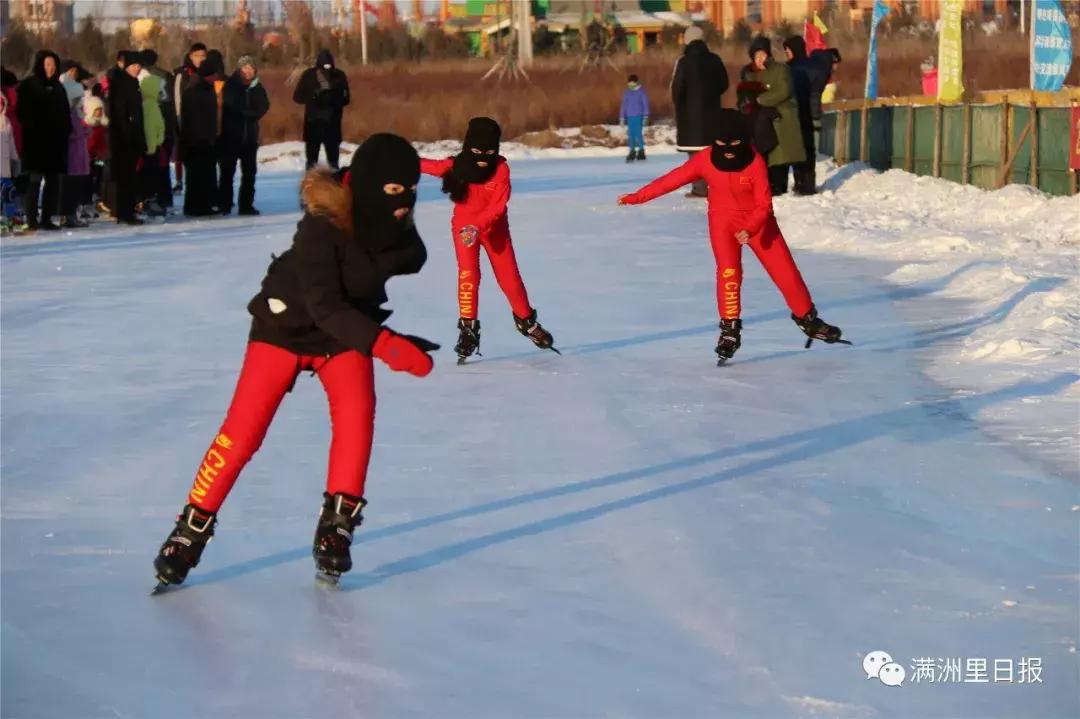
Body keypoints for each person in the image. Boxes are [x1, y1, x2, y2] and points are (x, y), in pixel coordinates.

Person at [153, 134, 437, 588]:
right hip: (286, 328)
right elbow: (324, 305)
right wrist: (386, 345)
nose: (404, 203)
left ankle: (336, 528)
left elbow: (411, 255)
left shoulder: (393, 226)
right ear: (364, 186)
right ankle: (189, 531)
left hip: (343, 337)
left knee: (357, 419)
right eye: (391, 192)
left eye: (411, 191)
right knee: (242, 434)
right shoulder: (319, 226)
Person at [617, 110, 845, 363]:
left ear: (745, 141)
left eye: (735, 144)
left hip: (758, 224)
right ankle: (730, 330)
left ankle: (808, 319)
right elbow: (672, 180)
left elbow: (763, 205)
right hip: (723, 222)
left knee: (786, 273)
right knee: (728, 273)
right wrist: (638, 197)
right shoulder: (704, 159)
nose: (728, 149)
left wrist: (750, 227)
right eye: (721, 144)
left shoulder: (755, 161)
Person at [419, 117, 557, 364]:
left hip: (495, 231)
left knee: (510, 278)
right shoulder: (456, 166)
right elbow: (425, 165)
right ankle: (468, 330)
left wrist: (477, 226)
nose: (484, 156)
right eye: (477, 151)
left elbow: (498, 207)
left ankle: (527, 322)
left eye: (490, 151)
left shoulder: (501, 169)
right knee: (468, 276)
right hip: (464, 231)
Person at [740, 36, 805, 196]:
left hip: (782, 117)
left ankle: (782, 186)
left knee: (780, 156)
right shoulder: (749, 74)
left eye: (763, 55)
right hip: (760, 120)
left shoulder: (780, 69)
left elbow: (784, 90)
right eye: (757, 56)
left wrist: (761, 100)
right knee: (766, 155)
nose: (760, 59)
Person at [16, 50, 71, 231]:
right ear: (40, 65)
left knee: (53, 182)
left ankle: (47, 218)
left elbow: (65, 113)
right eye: (47, 65)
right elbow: (22, 112)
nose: (50, 69)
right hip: (36, 142)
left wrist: (65, 131)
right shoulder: (29, 85)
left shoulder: (58, 87)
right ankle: (31, 218)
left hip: (56, 143)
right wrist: (32, 128)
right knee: (34, 181)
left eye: (54, 66)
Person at [671, 25, 729, 197]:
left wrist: (681, 106)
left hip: (690, 118)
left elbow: (676, 89)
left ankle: (700, 188)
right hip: (712, 114)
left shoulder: (683, 61)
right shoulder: (715, 60)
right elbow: (724, 83)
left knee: (695, 156)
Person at [782, 36, 834, 195]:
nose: (787, 54)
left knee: (796, 150)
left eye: (787, 51)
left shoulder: (792, 69)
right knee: (808, 149)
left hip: (796, 113)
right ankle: (808, 184)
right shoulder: (815, 66)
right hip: (810, 114)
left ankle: (801, 183)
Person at [219, 55, 269, 215]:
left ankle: (246, 205)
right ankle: (224, 204)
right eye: (245, 68)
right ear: (239, 69)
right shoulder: (231, 85)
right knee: (228, 172)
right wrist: (244, 113)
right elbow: (230, 106)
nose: (248, 72)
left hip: (250, 137)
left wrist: (251, 114)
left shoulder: (257, 87)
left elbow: (263, 106)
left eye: (251, 68)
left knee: (249, 173)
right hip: (231, 136)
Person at [107, 51, 146, 225]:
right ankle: (125, 212)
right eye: (134, 66)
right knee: (125, 177)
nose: (137, 69)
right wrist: (127, 133)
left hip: (131, 135)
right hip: (124, 138)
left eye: (139, 66)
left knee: (129, 176)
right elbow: (120, 113)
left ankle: (126, 211)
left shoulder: (132, 83)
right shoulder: (122, 84)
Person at [293, 49, 350, 170]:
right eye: (324, 65)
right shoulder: (309, 75)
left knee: (333, 163)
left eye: (329, 65)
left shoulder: (339, 75)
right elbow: (297, 97)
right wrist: (313, 96)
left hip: (332, 123)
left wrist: (333, 98)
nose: (327, 69)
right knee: (312, 162)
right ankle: (310, 185)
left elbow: (346, 99)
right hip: (313, 123)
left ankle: (334, 185)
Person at [180, 63, 219, 216]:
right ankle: (196, 206)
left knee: (205, 174)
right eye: (214, 75)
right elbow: (193, 118)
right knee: (197, 175)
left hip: (205, 137)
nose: (217, 77)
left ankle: (204, 204)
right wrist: (200, 137)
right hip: (197, 139)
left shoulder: (205, 88)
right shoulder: (194, 90)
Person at [58, 61, 92, 227]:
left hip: (77, 155)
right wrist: (84, 131)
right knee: (70, 186)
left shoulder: (75, 112)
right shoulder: (69, 114)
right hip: (73, 156)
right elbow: (71, 132)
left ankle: (71, 213)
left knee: (73, 186)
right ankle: (68, 214)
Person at [172, 43, 207, 194]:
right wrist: (180, 121)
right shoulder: (183, 74)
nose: (200, 59)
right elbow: (178, 98)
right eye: (197, 56)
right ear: (191, 56)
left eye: (203, 56)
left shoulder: (209, 73)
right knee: (183, 153)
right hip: (186, 121)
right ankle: (180, 181)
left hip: (205, 122)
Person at [138, 51, 167, 217]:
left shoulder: (142, 104)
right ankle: (149, 200)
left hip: (143, 145)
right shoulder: (153, 106)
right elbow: (159, 126)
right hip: (153, 146)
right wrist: (159, 139)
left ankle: (143, 200)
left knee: (144, 175)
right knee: (151, 175)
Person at [0, 94, 21, 233]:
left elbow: (12, 143)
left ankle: (10, 218)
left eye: (1, 104)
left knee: (9, 193)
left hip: (5, 166)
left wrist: (16, 159)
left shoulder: (6, 121)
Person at [619, 73, 650, 162]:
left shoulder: (641, 92)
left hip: (638, 115)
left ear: (636, 83)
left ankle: (641, 151)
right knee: (631, 134)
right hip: (629, 116)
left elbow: (645, 104)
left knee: (638, 134)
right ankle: (632, 151)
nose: (630, 84)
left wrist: (646, 116)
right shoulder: (627, 92)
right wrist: (622, 117)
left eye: (632, 82)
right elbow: (624, 105)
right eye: (629, 83)